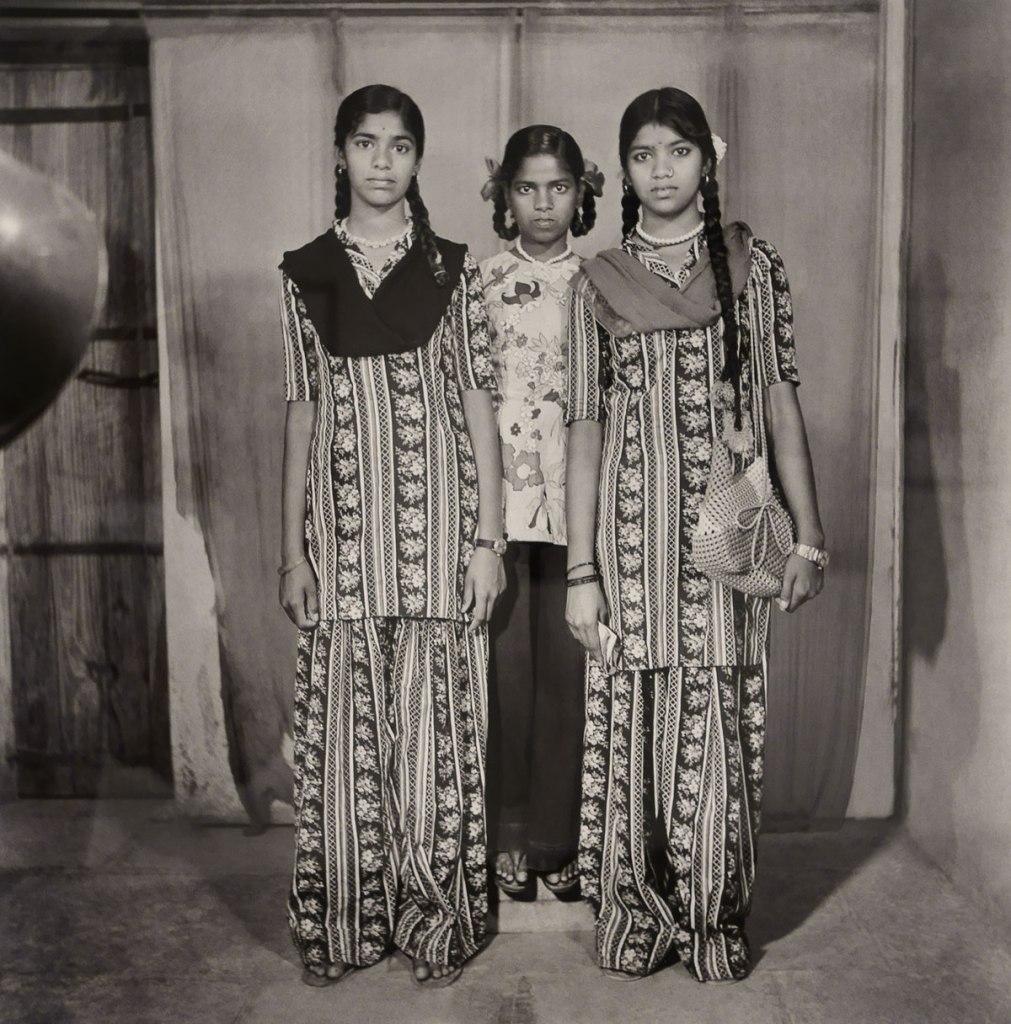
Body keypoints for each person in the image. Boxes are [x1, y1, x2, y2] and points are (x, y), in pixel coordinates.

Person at [564, 86, 827, 982]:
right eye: (643, 155)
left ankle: (714, 917)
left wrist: (808, 538)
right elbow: (584, 428)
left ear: (705, 163)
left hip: (726, 543)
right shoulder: (594, 280)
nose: (661, 171)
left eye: (678, 152)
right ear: (624, 168)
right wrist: (580, 570)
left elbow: (781, 401)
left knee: (715, 718)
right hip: (628, 544)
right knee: (631, 723)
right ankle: (636, 911)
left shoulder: (753, 267)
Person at [277, 84, 505, 989]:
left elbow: (480, 403)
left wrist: (487, 535)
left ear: (418, 157)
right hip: (340, 537)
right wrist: (291, 549)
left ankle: (437, 914)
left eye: (399, 145)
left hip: (440, 532)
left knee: (434, 736)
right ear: (340, 154)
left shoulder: (455, 270)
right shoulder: (303, 272)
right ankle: (342, 921)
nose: (382, 161)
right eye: (365, 144)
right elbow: (299, 411)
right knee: (343, 740)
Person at [477, 126, 603, 899]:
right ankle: (506, 836)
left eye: (558, 187)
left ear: (582, 193)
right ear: (504, 195)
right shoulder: (478, 283)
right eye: (527, 187)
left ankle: (560, 843)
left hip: (579, 512)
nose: (544, 203)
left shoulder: (602, 284)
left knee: (568, 679)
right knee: (503, 677)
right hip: (498, 512)